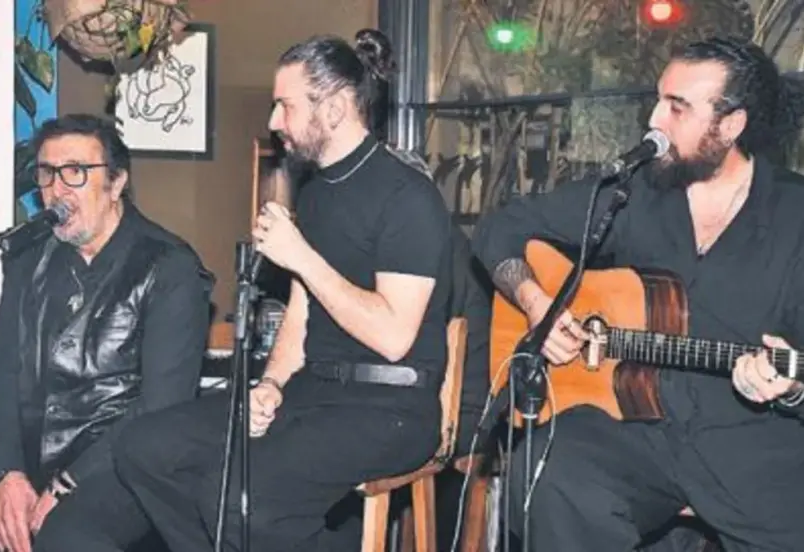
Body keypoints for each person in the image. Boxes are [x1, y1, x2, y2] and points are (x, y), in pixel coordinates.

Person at [91, 29, 453, 552]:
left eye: (286, 105)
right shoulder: (318, 194)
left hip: (389, 407)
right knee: (145, 447)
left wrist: (300, 256)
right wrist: (272, 384)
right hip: (312, 395)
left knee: (237, 496)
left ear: (334, 108)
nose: (274, 121)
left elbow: (394, 335)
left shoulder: (408, 197)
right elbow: (301, 314)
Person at [472, 36, 804, 551]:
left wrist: (792, 388)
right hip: (637, 428)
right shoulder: (637, 191)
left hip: (752, 448)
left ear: (731, 125)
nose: (654, 119)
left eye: (677, 107)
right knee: (545, 472)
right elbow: (502, 228)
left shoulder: (794, 215)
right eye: (658, 99)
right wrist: (537, 304)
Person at [0, 113, 213, 552]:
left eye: (76, 172)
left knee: (65, 536)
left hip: (117, 469)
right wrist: (6, 472)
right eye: (47, 173)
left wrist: (68, 483)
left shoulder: (169, 267)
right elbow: (0, 373)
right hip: (28, 459)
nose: (58, 189)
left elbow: (162, 407)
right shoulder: (28, 259)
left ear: (117, 182)